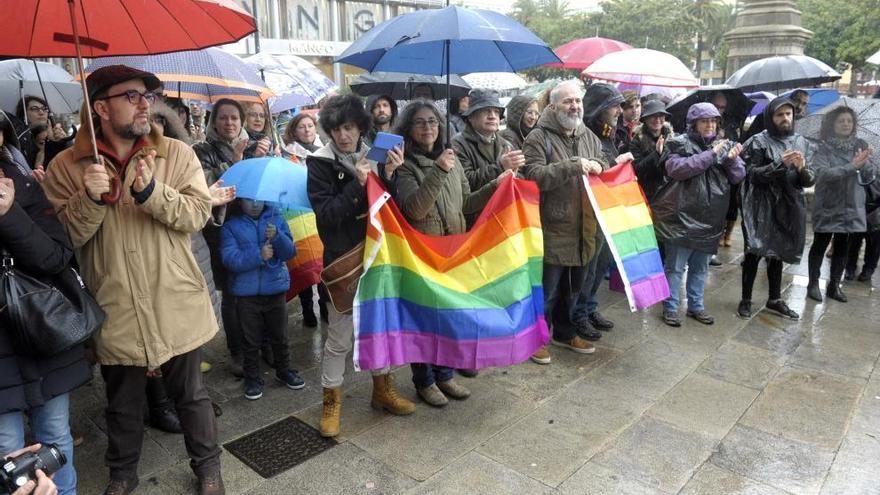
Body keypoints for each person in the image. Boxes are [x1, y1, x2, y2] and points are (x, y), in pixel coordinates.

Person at [42, 65, 224, 495]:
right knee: (122, 404)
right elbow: (61, 242)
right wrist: (88, 198)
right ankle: (122, 475)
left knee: (192, 396)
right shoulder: (66, 167)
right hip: (115, 303)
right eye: (133, 96)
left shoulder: (176, 154)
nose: (146, 104)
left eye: (148, 95)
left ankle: (209, 470)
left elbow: (198, 215)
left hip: (174, 296)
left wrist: (151, 193)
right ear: (100, 107)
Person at [306, 95, 414, 438]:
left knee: (377, 327)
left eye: (349, 127)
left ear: (360, 127)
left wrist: (391, 174)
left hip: (377, 256)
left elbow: (389, 206)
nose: (343, 136)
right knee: (339, 337)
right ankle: (330, 403)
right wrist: (357, 183)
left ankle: (382, 391)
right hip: (343, 262)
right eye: (336, 129)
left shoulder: (374, 154)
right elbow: (326, 216)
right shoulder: (319, 163)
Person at [393, 99, 508, 406]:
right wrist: (440, 170)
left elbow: (466, 203)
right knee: (424, 318)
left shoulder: (451, 159)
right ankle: (424, 380)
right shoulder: (404, 165)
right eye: (420, 122)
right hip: (424, 254)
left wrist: (496, 184)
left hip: (453, 250)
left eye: (433, 121)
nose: (428, 127)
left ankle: (444, 375)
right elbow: (415, 209)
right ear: (408, 128)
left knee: (447, 317)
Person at [0, 115, 92, 495]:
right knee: (7, 451)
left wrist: (10, 215)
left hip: (43, 333)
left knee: (56, 437)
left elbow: (56, 258)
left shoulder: (21, 183)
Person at [521, 80, 605, 364]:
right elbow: (532, 175)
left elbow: (601, 161)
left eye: (578, 101)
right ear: (553, 105)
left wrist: (604, 166)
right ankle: (537, 339)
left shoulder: (588, 134)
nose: (575, 106)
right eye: (568, 101)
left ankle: (565, 332)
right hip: (553, 227)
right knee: (548, 289)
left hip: (584, 226)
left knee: (574, 288)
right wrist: (572, 166)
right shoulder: (538, 137)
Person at [653, 103, 745, 326]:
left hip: (710, 220)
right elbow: (676, 169)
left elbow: (739, 175)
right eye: (705, 121)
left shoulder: (725, 145)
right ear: (694, 123)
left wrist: (731, 160)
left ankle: (696, 306)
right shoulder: (679, 143)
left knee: (700, 268)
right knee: (675, 267)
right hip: (681, 219)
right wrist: (711, 155)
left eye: (713, 121)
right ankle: (671, 307)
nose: (710, 125)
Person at [738, 96, 815, 320]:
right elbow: (751, 175)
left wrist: (801, 169)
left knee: (779, 253)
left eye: (788, 114)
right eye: (779, 114)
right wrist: (779, 164)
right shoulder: (757, 141)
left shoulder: (802, 142)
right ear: (771, 117)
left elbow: (809, 180)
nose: (785, 118)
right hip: (760, 206)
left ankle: (774, 298)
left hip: (788, 206)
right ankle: (746, 298)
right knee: (754, 252)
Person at [221, 198, 304, 399]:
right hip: (246, 294)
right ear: (240, 201)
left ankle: (283, 370)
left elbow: (290, 252)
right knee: (250, 340)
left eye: (258, 200)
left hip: (275, 289)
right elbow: (230, 258)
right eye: (249, 200)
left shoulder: (276, 218)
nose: (255, 205)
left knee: (280, 335)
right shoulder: (231, 226)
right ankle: (252, 378)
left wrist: (277, 237)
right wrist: (258, 255)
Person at [194, 99, 250, 376]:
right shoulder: (201, 151)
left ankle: (256, 345)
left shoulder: (252, 145)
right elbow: (207, 189)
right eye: (224, 118)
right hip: (223, 230)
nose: (230, 123)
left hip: (249, 225)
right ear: (214, 121)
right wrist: (236, 163)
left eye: (235, 118)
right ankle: (237, 351)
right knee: (231, 294)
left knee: (251, 291)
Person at [572, 82, 626, 340]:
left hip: (606, 209)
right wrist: (618, 162)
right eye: (614, 105)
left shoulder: (610, 133)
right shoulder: (586, 134)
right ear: (601, 108)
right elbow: (597, 168)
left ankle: (590, 306)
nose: (619, 110)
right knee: (590, 266)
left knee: (602, 261)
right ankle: (578, 314)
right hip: (588, 211)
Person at [806, 106, 875, 303]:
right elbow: (822, 174)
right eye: (841, 121)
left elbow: (869, 177)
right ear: (832, 124)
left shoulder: (859, 146)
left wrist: (866, 163)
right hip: (828, 203)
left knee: (843, 246)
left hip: (852, 204)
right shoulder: (822, 147)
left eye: (849, 121)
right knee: (821, 244)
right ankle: (813, 283)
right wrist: (851, 166)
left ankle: (834, 285)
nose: (846, 124)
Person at [452, 89, 524, 196]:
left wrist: (515, 172)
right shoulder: (458, 144)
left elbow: (521, 177)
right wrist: (501, 166)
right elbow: (466, 182)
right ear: (471, 116)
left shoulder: (506, 144)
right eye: (486, 111)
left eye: (496, 112)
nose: (492, 116)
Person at [709, 91, 744, 249]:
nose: (720, 110)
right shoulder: (705, 121)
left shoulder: (731, 124)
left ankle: (727, 234)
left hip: (729, 168)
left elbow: (737, 144)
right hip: (713, 170)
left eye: (722, 107)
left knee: (732, 205)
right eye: (717, 106)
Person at [629, 99, 674, 202]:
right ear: (645, 119)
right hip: (647, 193)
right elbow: (636, 169)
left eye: (661, 116)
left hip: (669, 192)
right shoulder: (636, 141)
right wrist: (656, 153)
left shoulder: (672, 138)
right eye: (653, 116)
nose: (657, 120)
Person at [14, 96, 74, 170]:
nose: (41, 112)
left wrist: (63, 142)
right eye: (34, 109)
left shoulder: (56, 134)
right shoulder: (16, 139)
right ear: (24, 114)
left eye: (44, 109)